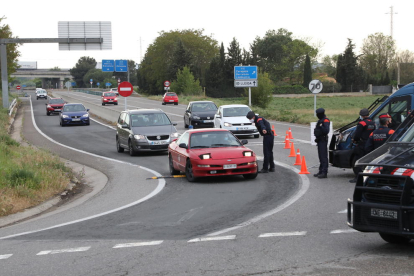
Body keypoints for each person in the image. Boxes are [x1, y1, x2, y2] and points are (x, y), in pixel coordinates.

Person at [349, 108, 376, 183]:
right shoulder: (373, 123)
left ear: (362, 115)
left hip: (362, 144)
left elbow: (357, 134)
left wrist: (355, 140)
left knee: (357, 161)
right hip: (370, 144)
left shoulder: (362, 123)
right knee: (368, 161)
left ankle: (358, 177)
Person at [313, 108, 330, 179]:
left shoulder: (325, 120)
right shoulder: (320, 120)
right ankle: (320, 170)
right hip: (319, 139)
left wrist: (321, 126)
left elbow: (326, 130)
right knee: (320, 156)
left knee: (323, 156)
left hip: (323, 140)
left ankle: (324, 172)